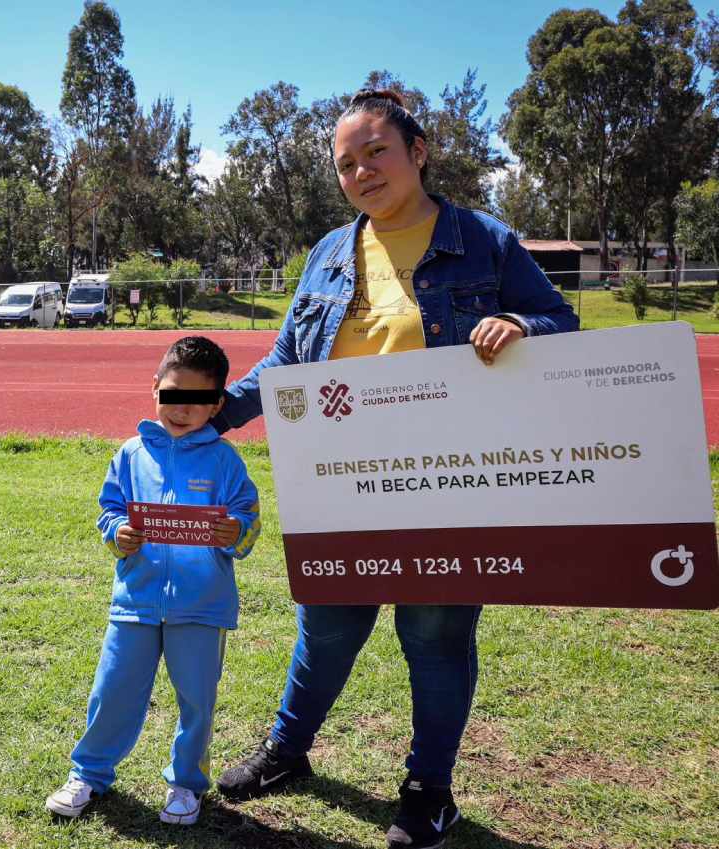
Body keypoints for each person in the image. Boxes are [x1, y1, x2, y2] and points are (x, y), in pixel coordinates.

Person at [212, 89, 579, 849]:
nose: (361, 171)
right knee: (326, 627)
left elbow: (562, 323)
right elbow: (285, 363)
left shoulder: (484, 241)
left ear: (418, 151)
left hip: (449, 483)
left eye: (376, 151)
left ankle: (428, 790)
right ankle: (288, 753)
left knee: (437, 633)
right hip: (341, 485)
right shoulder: (327, 253)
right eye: (346, 163)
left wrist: (519, 323)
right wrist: (212, 411)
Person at [46, 336, 262, 826]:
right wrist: (116, 534)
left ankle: (186, 784)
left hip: (201, 609)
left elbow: (248, 520)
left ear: (217, 404)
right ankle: (90, 773)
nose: (181, 409)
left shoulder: (224, 461)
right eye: (172, 394)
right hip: (135, 603)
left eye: (196, 400)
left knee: (196, 702)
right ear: (154, 389)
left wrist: (236, 532)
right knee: (113, 691)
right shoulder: (129, 453)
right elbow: (111, 510)